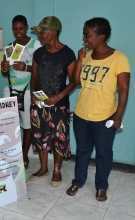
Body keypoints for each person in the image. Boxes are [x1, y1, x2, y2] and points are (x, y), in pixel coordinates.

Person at [66, 17, 130, 201]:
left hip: (104, 117)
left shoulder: (119, 58)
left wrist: (118, 116)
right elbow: (76, 81)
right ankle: (78, 181)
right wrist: (80, 60)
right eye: (84, 35)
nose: (84, 39)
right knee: (83, 150)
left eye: (88, 35)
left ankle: (101, 186)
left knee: (103, 153)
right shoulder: (86, 55)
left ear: (101, 36)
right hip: (81, 115)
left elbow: (124, 88)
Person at [29, 16, 76, 187]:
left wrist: (58, 97)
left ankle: (56, 170)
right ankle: (43, 168)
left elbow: (74, 81)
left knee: (59, 137)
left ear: (54, 32)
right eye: (39, 32)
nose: (40, 35)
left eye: (43, 32)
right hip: (39, 104)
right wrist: (33, 93)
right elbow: (33, 77)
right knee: (40, 136)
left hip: (59, 105)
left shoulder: (67, 54)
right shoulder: (38, 53)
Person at [1, 15, 41, 170]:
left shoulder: (35, 44)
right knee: (9, 124)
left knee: (26, 124)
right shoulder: (9, 47)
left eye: (21, 28)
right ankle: (12, 155)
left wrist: (25, 67)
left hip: (27, 88)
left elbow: (40, 68)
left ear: (26, 27)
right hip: (9, 88)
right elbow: (5, 72)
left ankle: (24, 156)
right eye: (15, 29)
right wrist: (4, 67)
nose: (18, 32)